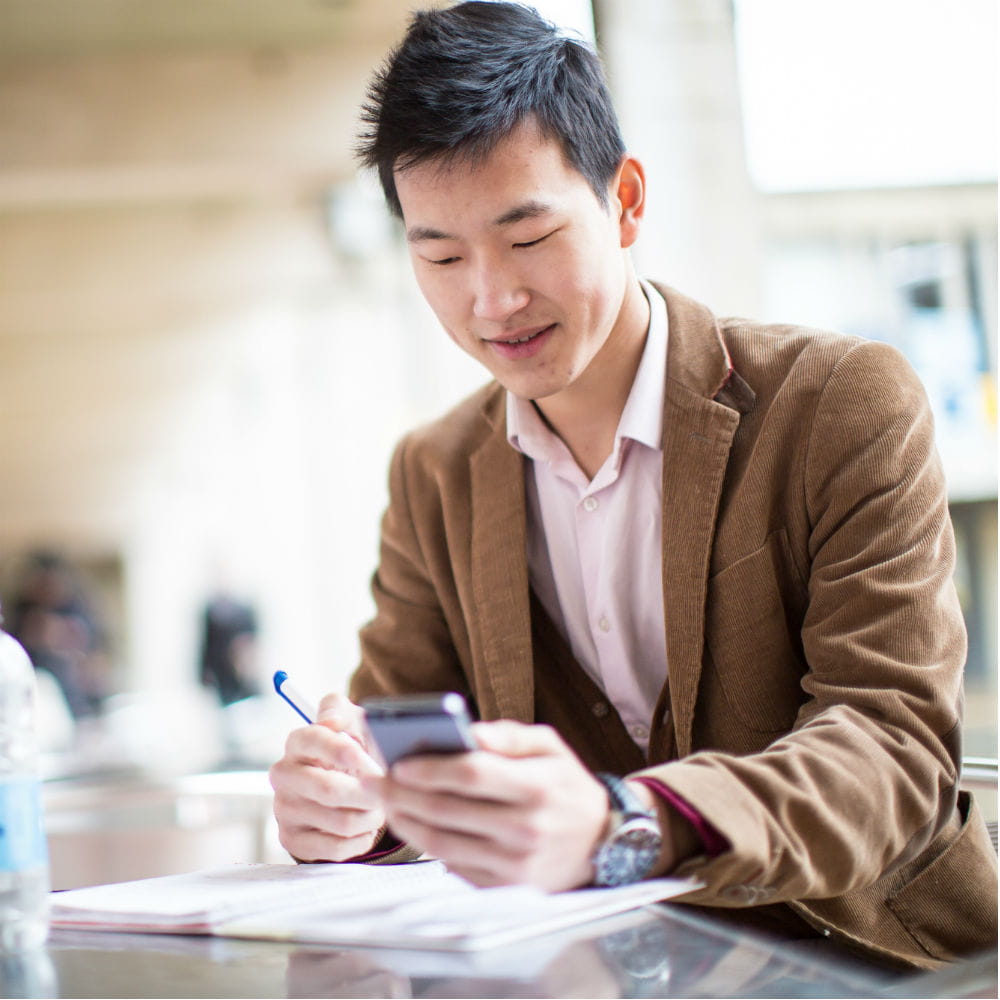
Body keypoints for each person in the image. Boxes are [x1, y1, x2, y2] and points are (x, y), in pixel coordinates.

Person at [269, 1, 997, 970]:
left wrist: (624, 822)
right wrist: (350, 808)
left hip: (874, 962)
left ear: (626, 201)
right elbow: (407, 767)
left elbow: (891, 748)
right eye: (439, 254)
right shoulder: (433, 475)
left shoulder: (839, 403)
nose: (489, 298)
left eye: (526, 237)